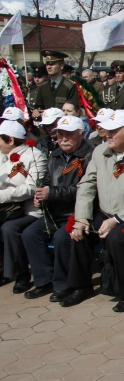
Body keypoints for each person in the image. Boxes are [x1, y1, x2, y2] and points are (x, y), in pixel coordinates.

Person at [67, 110, 124, 310]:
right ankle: (80, 286)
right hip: (105, 211)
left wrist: (117, 219)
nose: (107, 135)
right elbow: (87, 184)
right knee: (80, 232)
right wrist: (82, 217)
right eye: (107, 130)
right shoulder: (100, 151)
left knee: (118, 238)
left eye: (113, 131)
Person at [21, 116, 94, 300]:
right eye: (60, 134)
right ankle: (44, 281)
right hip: (55, 212)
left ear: (81, 134)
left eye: (69, 134)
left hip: (77, 213)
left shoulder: (90, 156)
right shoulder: (55, 155)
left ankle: (64, 284)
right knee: (30, 234)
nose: (63, 139)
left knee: (62, 238)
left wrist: (51, 193)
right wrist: (40, 196)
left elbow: (85, 189)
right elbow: (47, 181)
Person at [0, 121, 48, 291]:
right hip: (6, 208)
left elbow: (31, 188)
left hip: (29, 210)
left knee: (9, 228)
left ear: (10, 139)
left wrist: (2, 195)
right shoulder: (2, 155)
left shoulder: (35, 156)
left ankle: (21, 274)